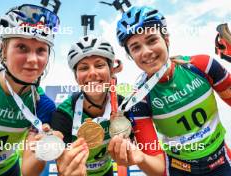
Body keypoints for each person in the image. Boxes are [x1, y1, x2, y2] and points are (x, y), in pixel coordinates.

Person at [0, 4, 88, 176]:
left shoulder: (43, 105)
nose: (32, 60)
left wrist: (43, 150)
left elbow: (28, 171)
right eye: (22, 47)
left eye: (41, 50)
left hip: (7, 171)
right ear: (3, 50)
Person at [110, 5, 231, 176]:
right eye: (136, 47)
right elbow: (158, 168)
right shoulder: (139, 99)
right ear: (130, 55)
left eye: (152, 40)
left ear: (166, 39)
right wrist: (141, 159)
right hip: (178, 170)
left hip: (222, 164)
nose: (146, 52)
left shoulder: (203, 66)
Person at [50, 34, 165, 176]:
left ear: (111, 71)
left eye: (99, 65)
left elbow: (157, 167)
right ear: (76, 77)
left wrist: (135, 153)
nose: (92, 73)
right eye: (84, 68)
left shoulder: (125, 107)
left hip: (107, 171)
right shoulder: (64, 114)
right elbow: (62, 166)